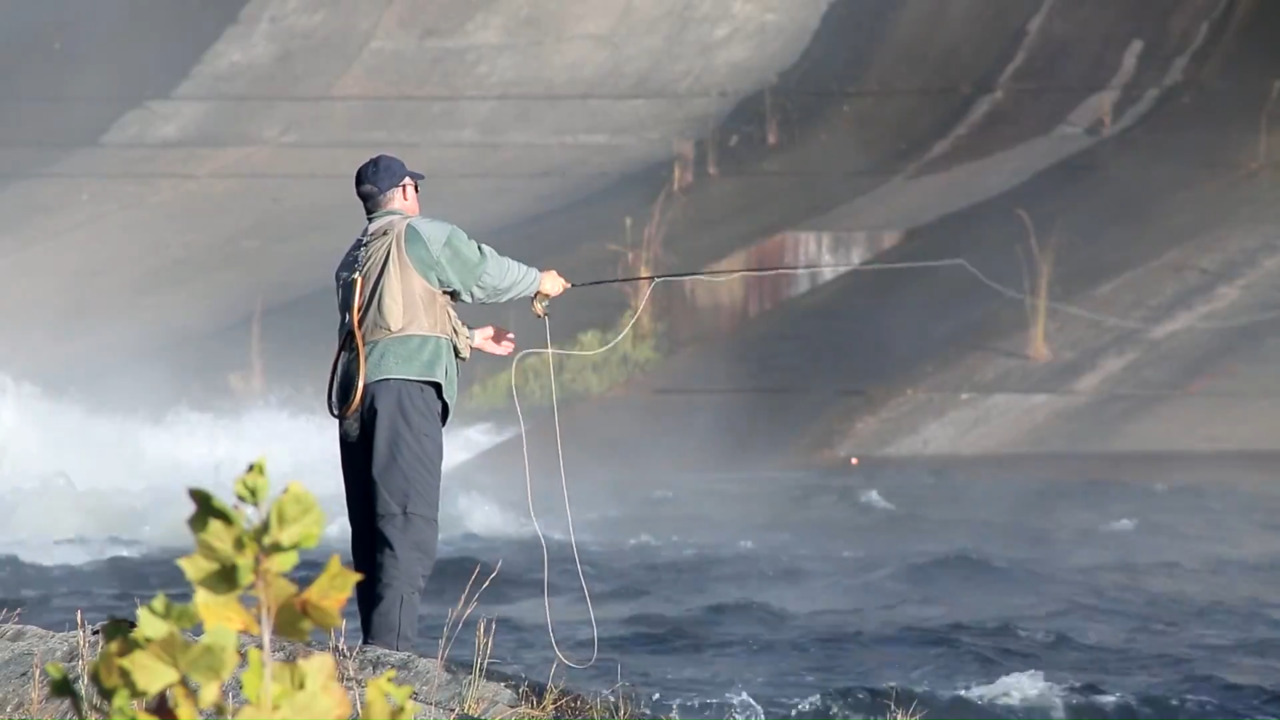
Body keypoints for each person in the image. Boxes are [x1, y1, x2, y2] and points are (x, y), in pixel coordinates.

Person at [331, 153, 570, 652]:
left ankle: (375, 652)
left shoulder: (355, 256)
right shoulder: (422, 235)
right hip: (404, 396)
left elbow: (392, 323)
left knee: (372, 533)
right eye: (415, 187)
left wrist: (468, 337)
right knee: (407, 527)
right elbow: (481, 272)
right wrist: (539, 281)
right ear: (403, 192)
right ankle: (391, 665)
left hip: (358, 401)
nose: (418, 195)